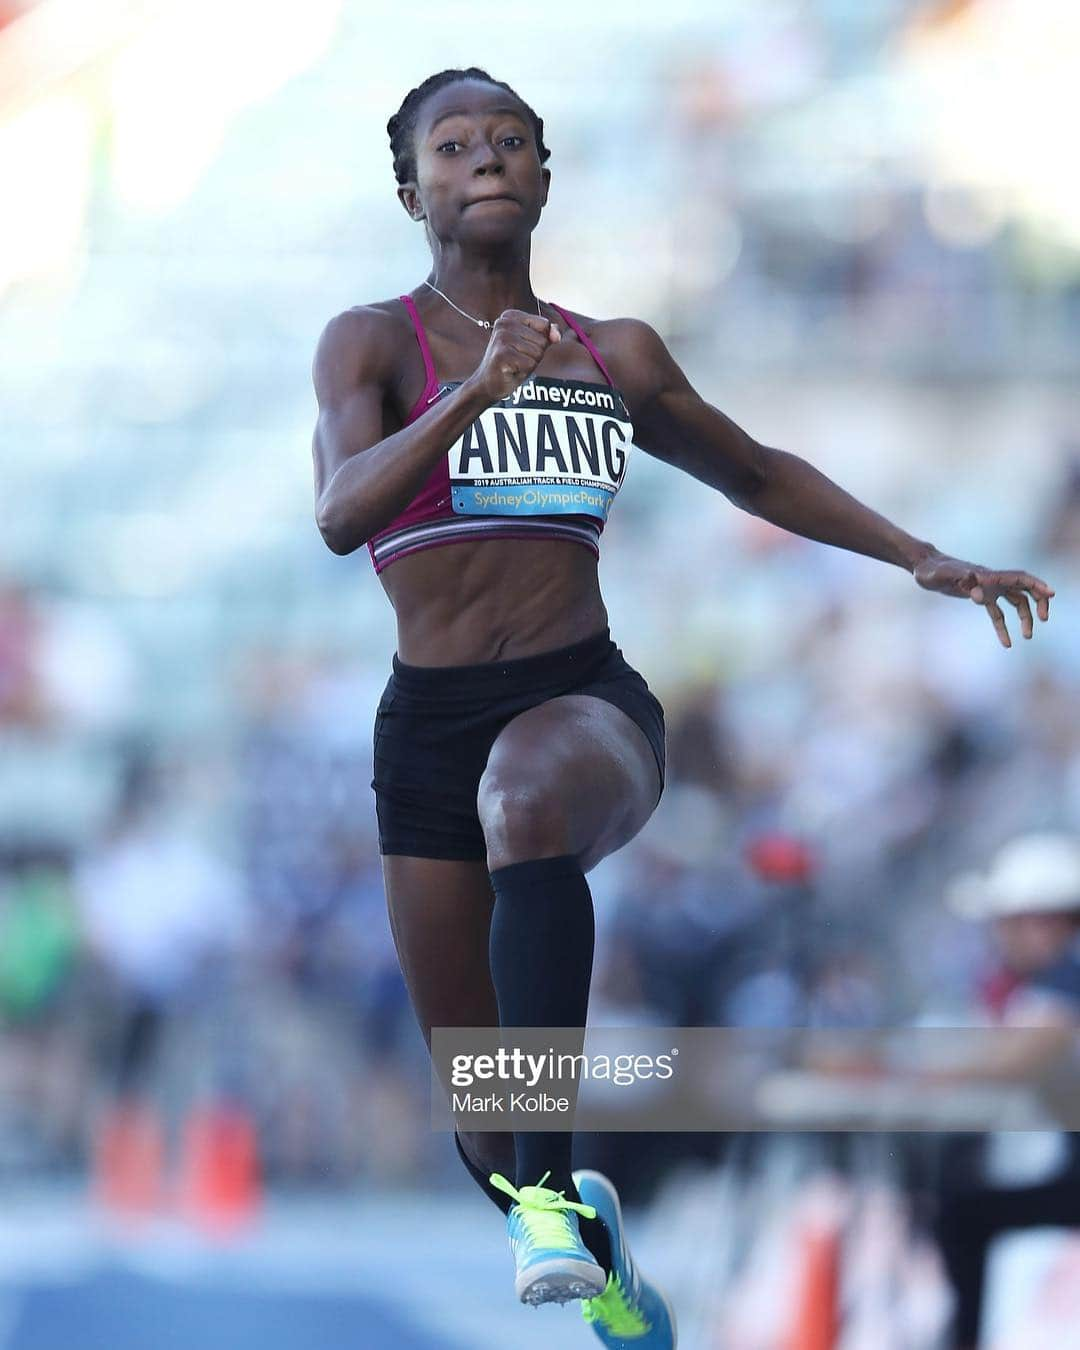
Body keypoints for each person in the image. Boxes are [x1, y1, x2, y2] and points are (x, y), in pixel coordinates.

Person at [309, 66, 1055, 1346]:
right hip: (426, 728)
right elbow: (339, 514)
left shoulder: (618, 353)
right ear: (412, 187)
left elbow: (755, 471)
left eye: (509, 142)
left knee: (529, 799)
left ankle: (551, 1210)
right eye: (453, 147)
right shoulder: (370, 342)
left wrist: (917, 554)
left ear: (544, 175)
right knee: (481, 1120)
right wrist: (479, 390)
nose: (485, 160)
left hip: (580, 703)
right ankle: (591, 1245)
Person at [932, 833, 1080, 1350]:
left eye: (1009, 922)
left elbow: (1012, 1062)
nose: (1000, 936)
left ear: (1047, 922)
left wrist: (912, 1073)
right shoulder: (1047, 982)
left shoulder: (1066, 980)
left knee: (962, 1212)